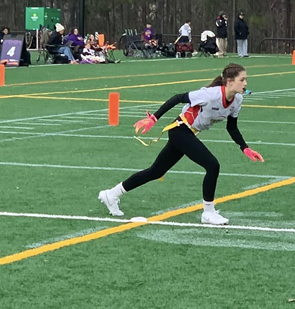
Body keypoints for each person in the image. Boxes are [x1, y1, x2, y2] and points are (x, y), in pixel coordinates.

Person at [98, 64, 265, 225]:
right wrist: (154, 118)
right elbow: (178, 98)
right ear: (230, 81)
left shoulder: (237, 100)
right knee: (212, 165)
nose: (245, 83)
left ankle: (111, 194)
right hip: (180, 130)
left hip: (188, 133)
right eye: (242, 79)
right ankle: (208, 212)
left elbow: (232, 127)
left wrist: (245, 147)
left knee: (156, 171)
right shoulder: (209, 95)